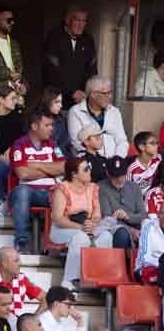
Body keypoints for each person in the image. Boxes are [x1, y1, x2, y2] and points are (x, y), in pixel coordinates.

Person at [50, 157, 113, 288]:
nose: (90, 170)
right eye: (85, 169)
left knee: (106, 236)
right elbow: (57, 218)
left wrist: (92, 224)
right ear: (74, 174)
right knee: (81, 237)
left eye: (89, 167)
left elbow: (97, 214)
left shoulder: (92, 188)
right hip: (63, 228)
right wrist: (80, 227)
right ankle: (69, 280)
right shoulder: (62, 188)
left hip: (86, 226)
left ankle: (98, 278)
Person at [66, 76, 129, 160]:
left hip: (114, 162)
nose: (110, 97)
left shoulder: (114, 111)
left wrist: (118, 158)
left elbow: (122, 140)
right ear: (93, 94)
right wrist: (97, 160)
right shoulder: (75, 111)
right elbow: (76, 143)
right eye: (105, 93)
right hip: (88, 162)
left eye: (110, 92)